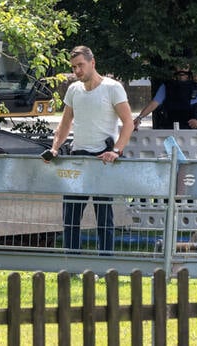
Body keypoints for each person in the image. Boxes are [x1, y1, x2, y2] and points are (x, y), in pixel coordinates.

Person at [42, 45, 133, 253]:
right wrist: (54, 149)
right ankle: (72, 262)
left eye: (81, 65)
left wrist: (117, 151)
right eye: (74, 67)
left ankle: (105, 263)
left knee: (104, 216)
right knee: (71, 216)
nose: (77, 71)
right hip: (78, 157)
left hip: (103, 157)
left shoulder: (112, 87)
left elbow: (128, 122)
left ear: (93, 63)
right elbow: (65, 125)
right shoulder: (74, 90)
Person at [133, 64, 197, 131]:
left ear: (190, 68)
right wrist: (139, 118)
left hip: (194, 135)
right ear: (175, 68)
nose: (182, 69)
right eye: (179, 66)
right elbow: (153, 104)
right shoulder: (166, 86)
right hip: (170, 134)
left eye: (185, 66)